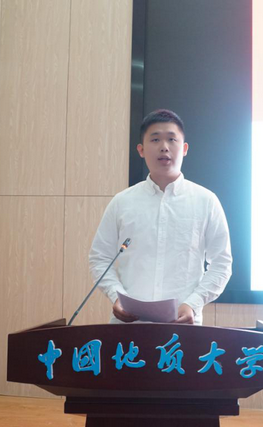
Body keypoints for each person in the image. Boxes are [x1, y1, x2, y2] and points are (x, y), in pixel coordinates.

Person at [89, 109, 232, 325]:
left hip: (183, 327)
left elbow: (222, 263)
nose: (164, 146)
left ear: (184, 149)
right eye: (155, 139)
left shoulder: (206, 201)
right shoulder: (122, 202)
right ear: (141, 150)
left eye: (172, 139)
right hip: (128, 327)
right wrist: (117, 296)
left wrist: (193, 303)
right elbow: (100, 258)